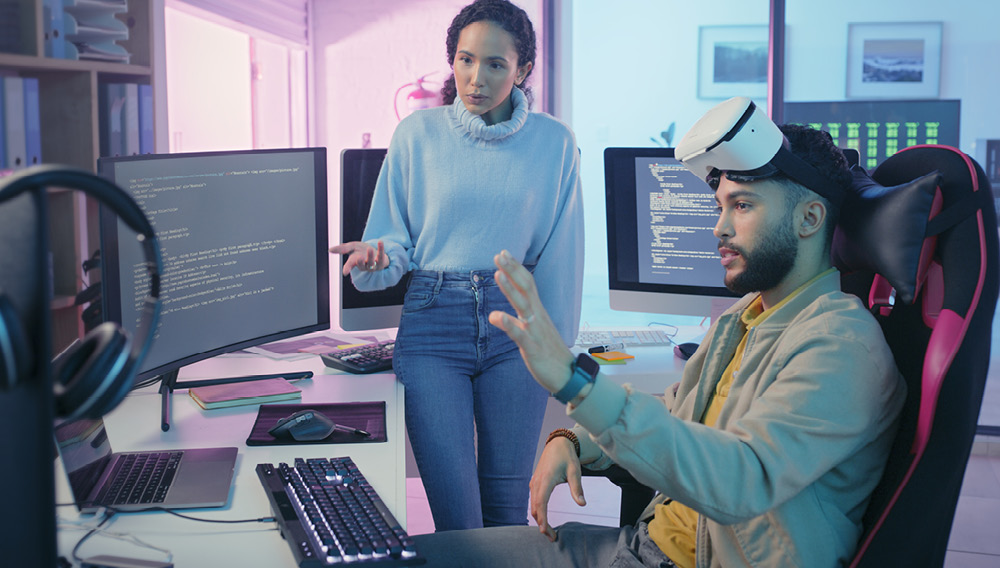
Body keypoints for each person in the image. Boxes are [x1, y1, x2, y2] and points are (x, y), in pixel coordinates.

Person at [409, 99, 907, 567]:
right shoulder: (746, 318)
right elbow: (677, 411)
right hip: (641, 546)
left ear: (810, 218)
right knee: (394, 554)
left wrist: (575, 381)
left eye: (744, 206)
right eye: (720, 207)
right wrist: (573, 440)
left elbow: (742, 482)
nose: (719, 228)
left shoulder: (841, 346)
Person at [329, 0, 584, 531]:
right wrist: (376, 258)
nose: (476, 78)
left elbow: (562, 257)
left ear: (523, 70)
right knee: (458, 520)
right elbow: (392, 248)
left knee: (507, 516)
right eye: (465, 60)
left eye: (495, 64)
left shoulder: (554, 143)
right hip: (432, 322)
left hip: (515, 324)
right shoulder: (416, 135)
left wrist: (556, 349)